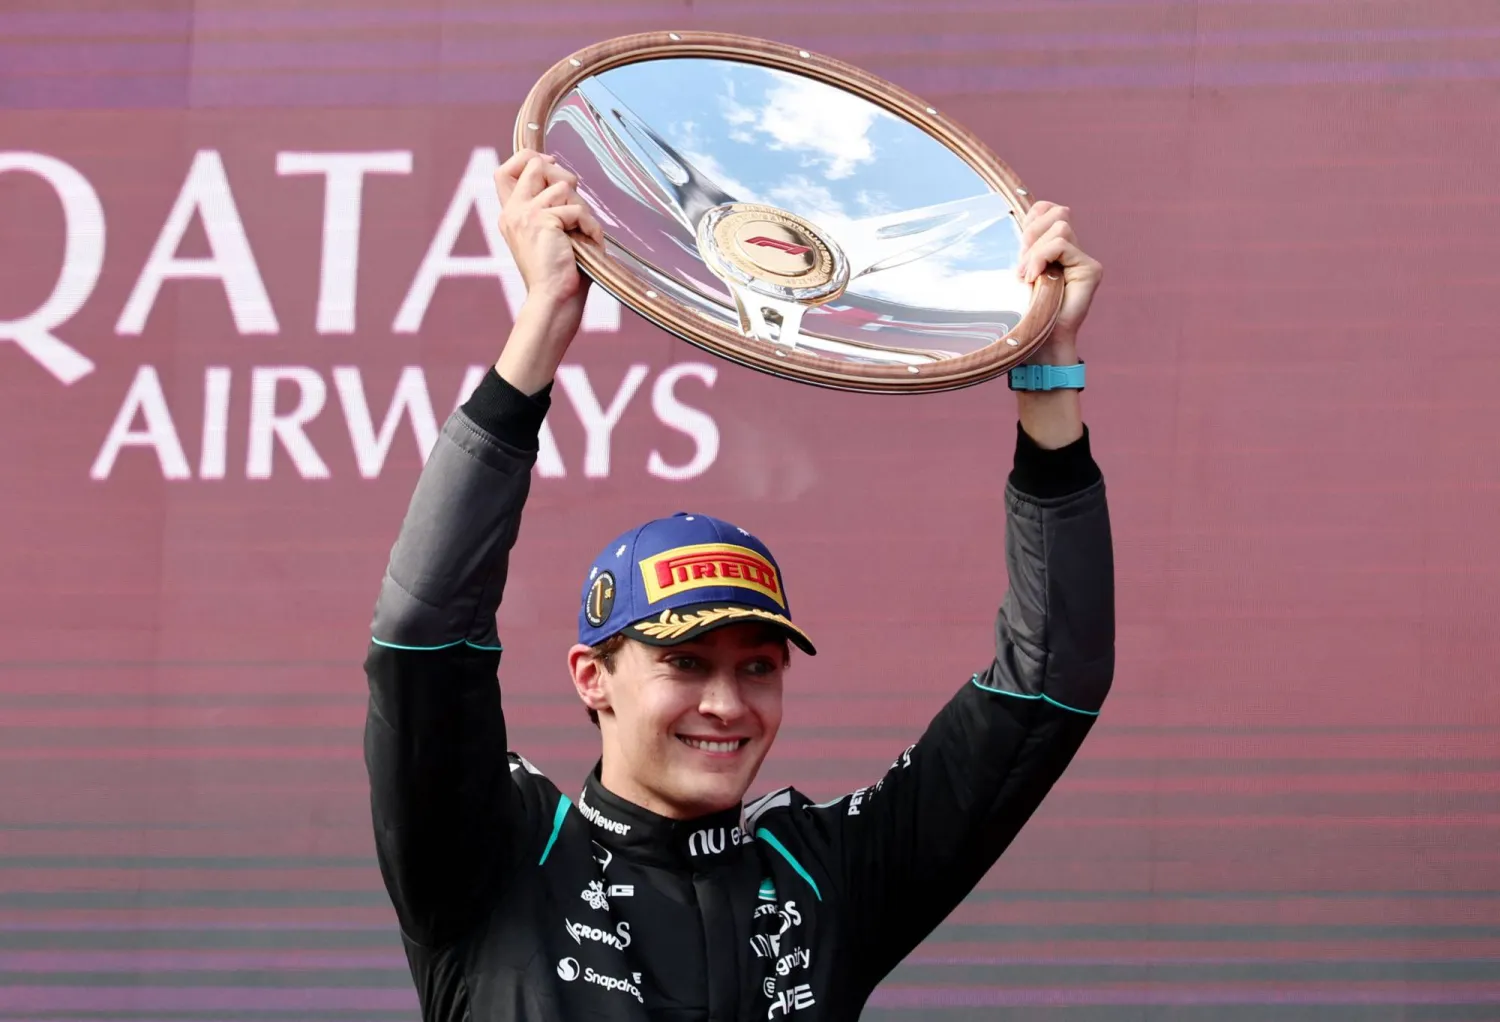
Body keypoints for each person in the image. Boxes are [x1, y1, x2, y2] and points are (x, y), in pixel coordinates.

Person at [363, 149, 1114, 1021]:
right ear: (592, 676)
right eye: (685, 663)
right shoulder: (496, 855)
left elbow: (1051, 681)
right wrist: (545, 320)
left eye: (757, 667)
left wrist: (1046, 370)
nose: (725, 704)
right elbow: (421, 632)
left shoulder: (826, 875)